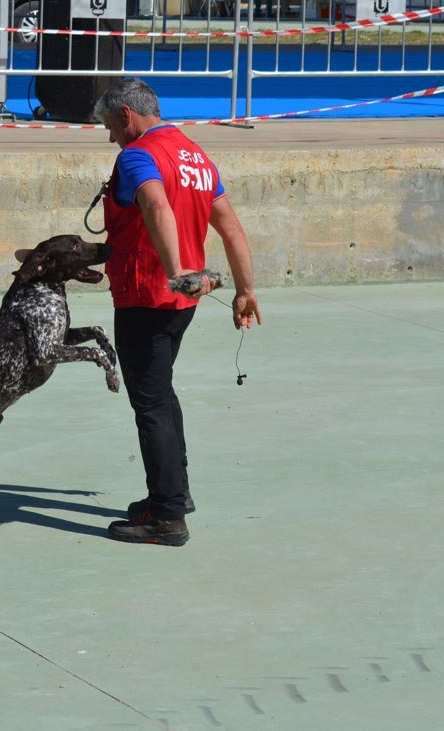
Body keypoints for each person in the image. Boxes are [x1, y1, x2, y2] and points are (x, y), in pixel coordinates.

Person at [93, 78, 262, 546]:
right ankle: (174, 492)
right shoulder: (197, 157)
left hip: (148, 294)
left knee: (149, 404)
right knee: (161, 393)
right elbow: (230, 228)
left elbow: (155, 204)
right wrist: (245, 290)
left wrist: (177, 270)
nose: (110, 137)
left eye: (110, 126)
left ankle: (166, 517)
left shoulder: (136, 155)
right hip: (181, 302)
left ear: (127, 115)